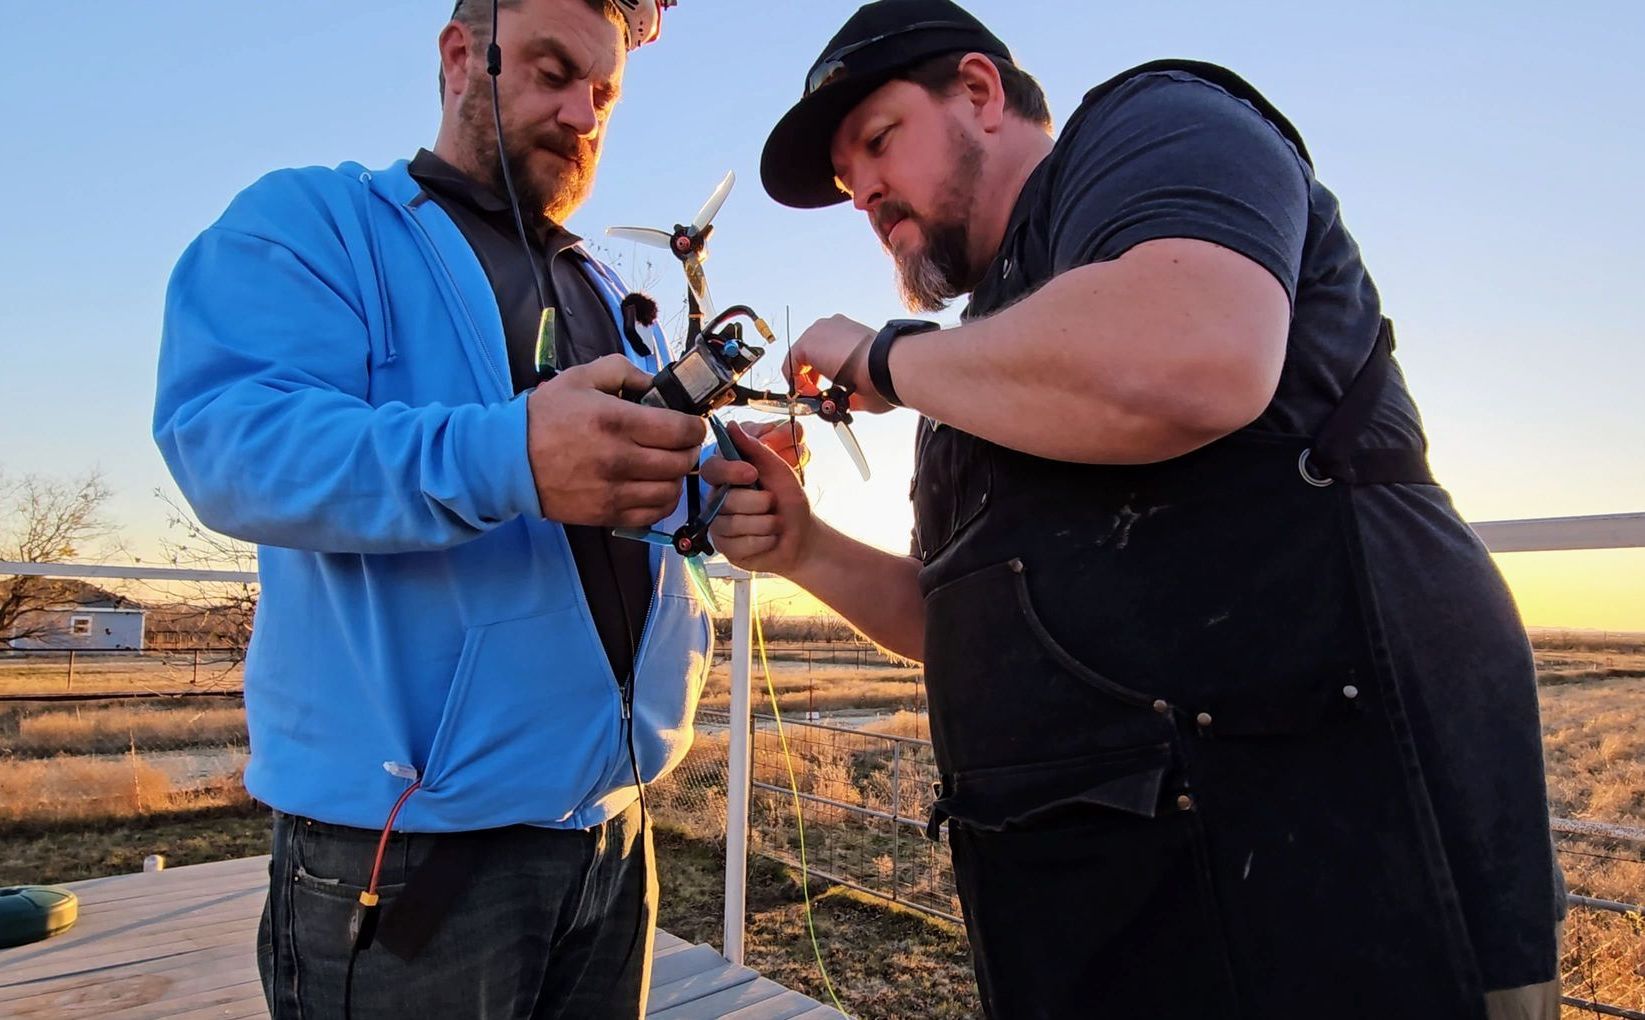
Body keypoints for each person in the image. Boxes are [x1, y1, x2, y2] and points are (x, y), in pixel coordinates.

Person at [705, 1, 1565, 1017]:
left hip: (1337, 881)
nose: (869, 194)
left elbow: (1192, 355)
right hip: (1109, 922)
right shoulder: (989, 360)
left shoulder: (1159, 125)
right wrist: (804, 545)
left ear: (980, 93)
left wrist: (885, 355)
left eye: (879, 142)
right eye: (851, 188)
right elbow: (979, 628)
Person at [154, 2, 795, 1016]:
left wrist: (717, 503)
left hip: (613, 834)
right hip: (414, 856)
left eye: (604, 91)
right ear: (461, 55)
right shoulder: (316, 224)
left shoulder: (600, 284)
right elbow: (228, 442)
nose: (583, 112)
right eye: (551, 70)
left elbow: (617, 511)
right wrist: (506, 455)